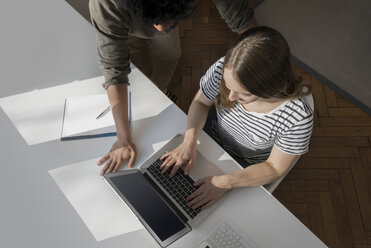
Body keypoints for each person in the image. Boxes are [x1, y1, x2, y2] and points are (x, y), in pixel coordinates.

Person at [88, 0, 257, 175]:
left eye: (170, 21)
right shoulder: (105, 4)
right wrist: (123, 138)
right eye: (156, 20)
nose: (160, 28)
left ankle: (160, 89)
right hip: (125, 20)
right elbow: (113, 69)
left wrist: (264, 59)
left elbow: (242, 19)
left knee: (171, 54)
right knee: (136, 54)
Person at [159, 26, 314, 210]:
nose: (231, 97)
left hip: (248, 168)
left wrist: (225, 182)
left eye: (244, 94)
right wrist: (189, 141)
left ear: (271, 87)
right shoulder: (224, 68)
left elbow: (274, 168)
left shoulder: (297, 116)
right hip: (210, 139)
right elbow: (201, 103)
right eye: (227, 85)